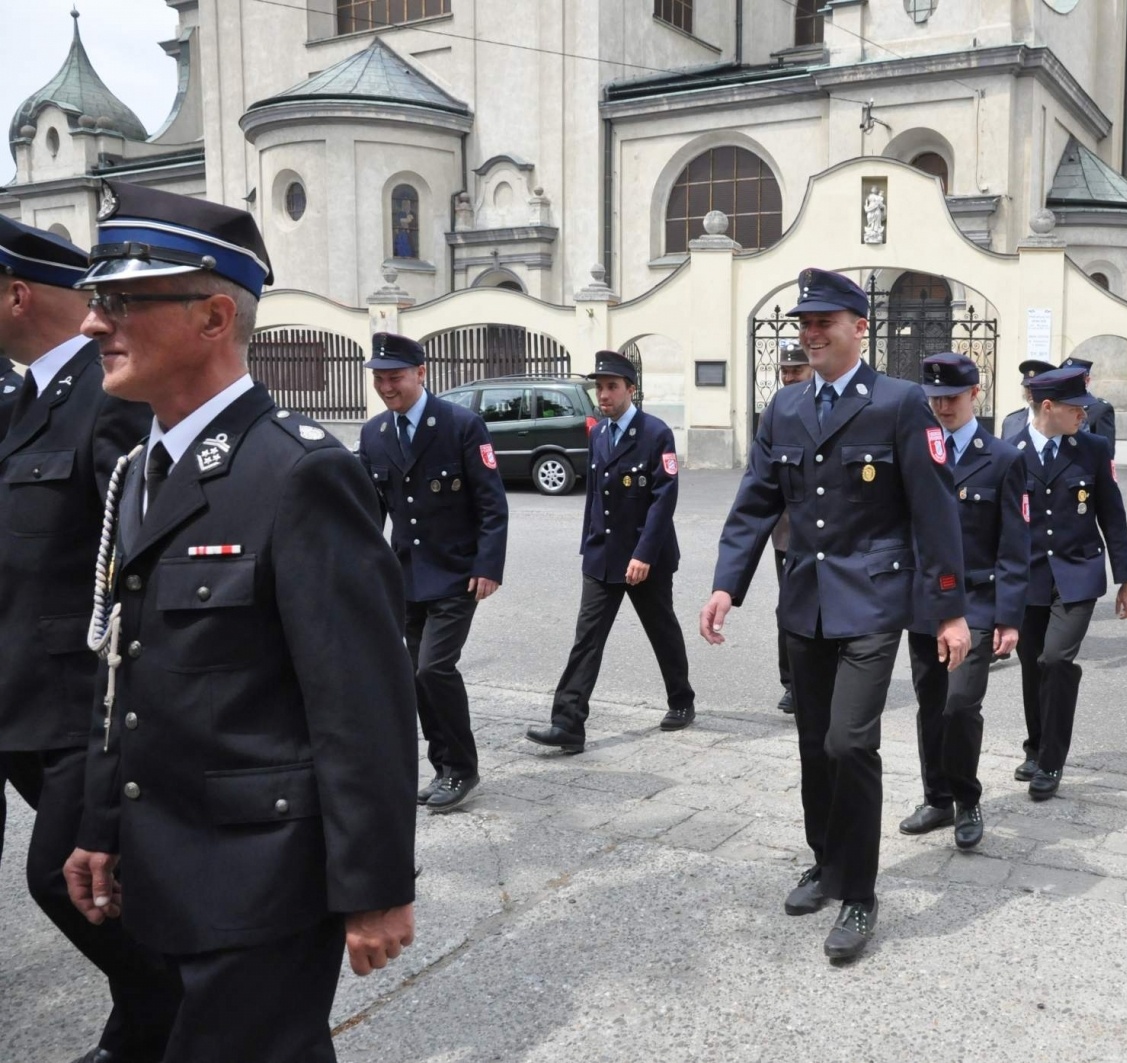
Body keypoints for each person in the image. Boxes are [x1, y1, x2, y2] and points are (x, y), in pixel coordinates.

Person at [64, 180, 417, 1063]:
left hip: (262, 878)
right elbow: (125, 673)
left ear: (214, 317)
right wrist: (101, 824)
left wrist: (376, 886)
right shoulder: (143, 468)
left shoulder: (297, 474)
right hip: (165, 862)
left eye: (120, 302)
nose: (90, 325)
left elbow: (361, 700)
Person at [700, 267, 968, 961]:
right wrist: (728, 583)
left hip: (875, 600)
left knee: (851, 743)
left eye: (824, 322)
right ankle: (825, 860)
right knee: (815, 745)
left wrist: (947, 610)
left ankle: (859, 892)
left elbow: (936, 513)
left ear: (859, 327)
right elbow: (756, 501)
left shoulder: (900, 403)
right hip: (806, 605)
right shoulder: (784, 408)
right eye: (804, 323)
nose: (811, 333)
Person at [0, 213, 179, 1063]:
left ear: (15, 293)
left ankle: (177, 1010)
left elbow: (129, 565)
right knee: (109, 882)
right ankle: (144, 1022)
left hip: (83, 699)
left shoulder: (107, 403)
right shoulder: (23, 396)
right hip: (23, 698)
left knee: (61, 877)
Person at [358, 332, 509, 812]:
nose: (386, 387)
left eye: (395, 378)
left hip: (456, 574)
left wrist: (488, 565)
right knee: (416, 676)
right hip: (405, 577)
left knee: (434, 668)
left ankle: (463, 769)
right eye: (379, 379)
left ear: (421, 373)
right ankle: (442, 765)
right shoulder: (374, 434)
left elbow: (491, 503)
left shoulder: (460, 425)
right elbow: (370, 510)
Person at [527, 350, 694, 752]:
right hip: (603, 556)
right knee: (587, 639)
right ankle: (568, 723)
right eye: (599, 387)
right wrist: (589, 544)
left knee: (661, 629)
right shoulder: (598, 433)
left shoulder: (656, 433)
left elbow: (663, 498)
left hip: (645, 557)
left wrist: (644, 554)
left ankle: (681, 700)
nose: (603, 394)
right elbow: (594, 498)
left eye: (611, 387)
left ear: (630, 390)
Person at [897, 353, 1027, 848]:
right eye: (934, 399)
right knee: (931, 704)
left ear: (975, 394)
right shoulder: (916, 453)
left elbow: (1016, 545)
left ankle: (967, 798)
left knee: (959, 706)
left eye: (952, 397)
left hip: (977, 601)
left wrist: (1009, 617)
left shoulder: (1004, 459)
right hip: (924, 603)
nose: (942, 406)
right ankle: (936, 799)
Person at [1012, 366, 1127, 797]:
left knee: (1055, 661)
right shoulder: (1010, 451)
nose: (1084, 414)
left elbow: (1112, 516)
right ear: (1048, 407)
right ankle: (1034, 746)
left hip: (1078, 574)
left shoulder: (1092, 449)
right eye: (1075, 408)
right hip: (1026, 577)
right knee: (1032, 665)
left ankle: (1051, 761)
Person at [771, 340, 813, 714]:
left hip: (824, 534)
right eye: (785, 371)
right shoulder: (777, 411)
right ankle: (792, 684)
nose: (789, 377)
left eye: (795, 371)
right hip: (785, 535)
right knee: (788, 608)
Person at [1060, 356, 1117, 441]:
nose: (1070, 383)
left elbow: (1105, 451)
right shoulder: (1058, 406)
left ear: (1087, 380)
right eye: (1066, 379)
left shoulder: (1100, 410)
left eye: (1075, 380)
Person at [999, 358, 1055, 439]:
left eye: (1035, 387)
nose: (1030, 391)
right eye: (1027, 387)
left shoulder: (1060, 422)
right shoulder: (1010, 422)